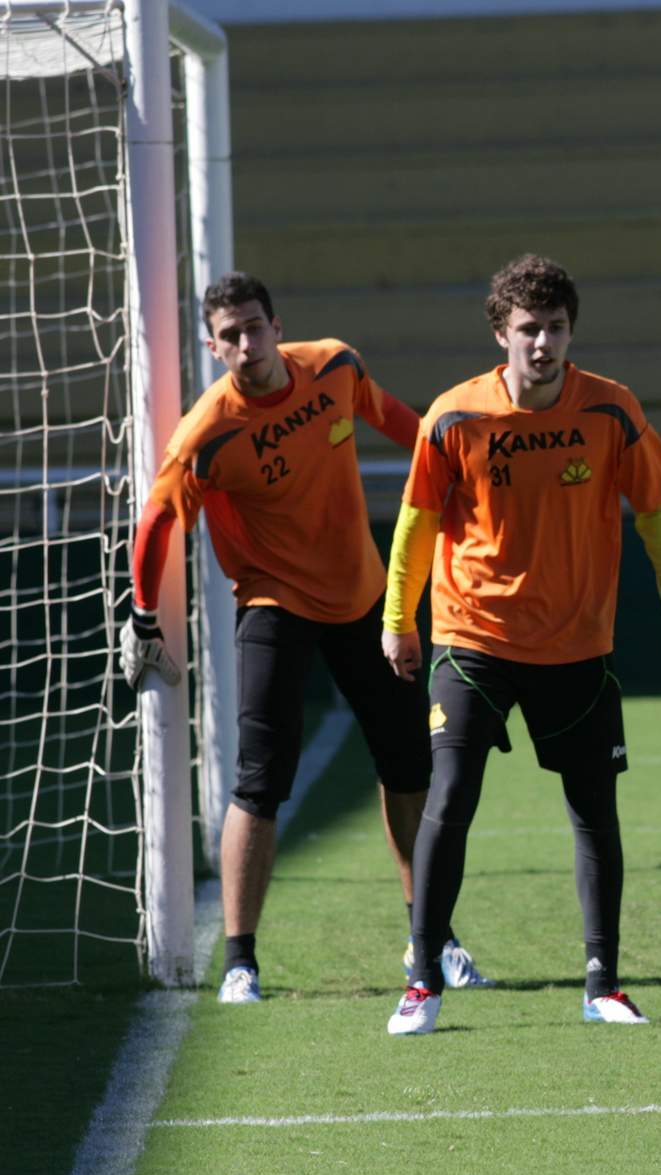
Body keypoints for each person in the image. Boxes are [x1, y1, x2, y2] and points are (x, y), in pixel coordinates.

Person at [121, 271, 491, 1003]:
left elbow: (404, 425)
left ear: (277, 326)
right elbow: (159, 519)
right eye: (230, 336)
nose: (246, 344)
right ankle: (240, 962)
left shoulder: (334, 366)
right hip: (273, 603)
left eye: (254, 327)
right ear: (213, 347)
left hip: (364, 597)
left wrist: (467, 479)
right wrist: (141, 613)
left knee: (410, 769)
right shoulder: (206, 433)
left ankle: (431, 939)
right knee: (260, 782)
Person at [378, 254, 661, 1035]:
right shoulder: (454, 416)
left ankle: (603, 985)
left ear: (570, 333)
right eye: (529, 329)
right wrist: (397, 619)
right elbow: (417, 522)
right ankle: (423, 980)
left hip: (576, 645)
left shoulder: (612, 409)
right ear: (502, 334)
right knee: (451, 795)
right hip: (472, 639)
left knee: (594, 812)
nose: (543, 343)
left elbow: (656, 513)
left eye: (556, 328)